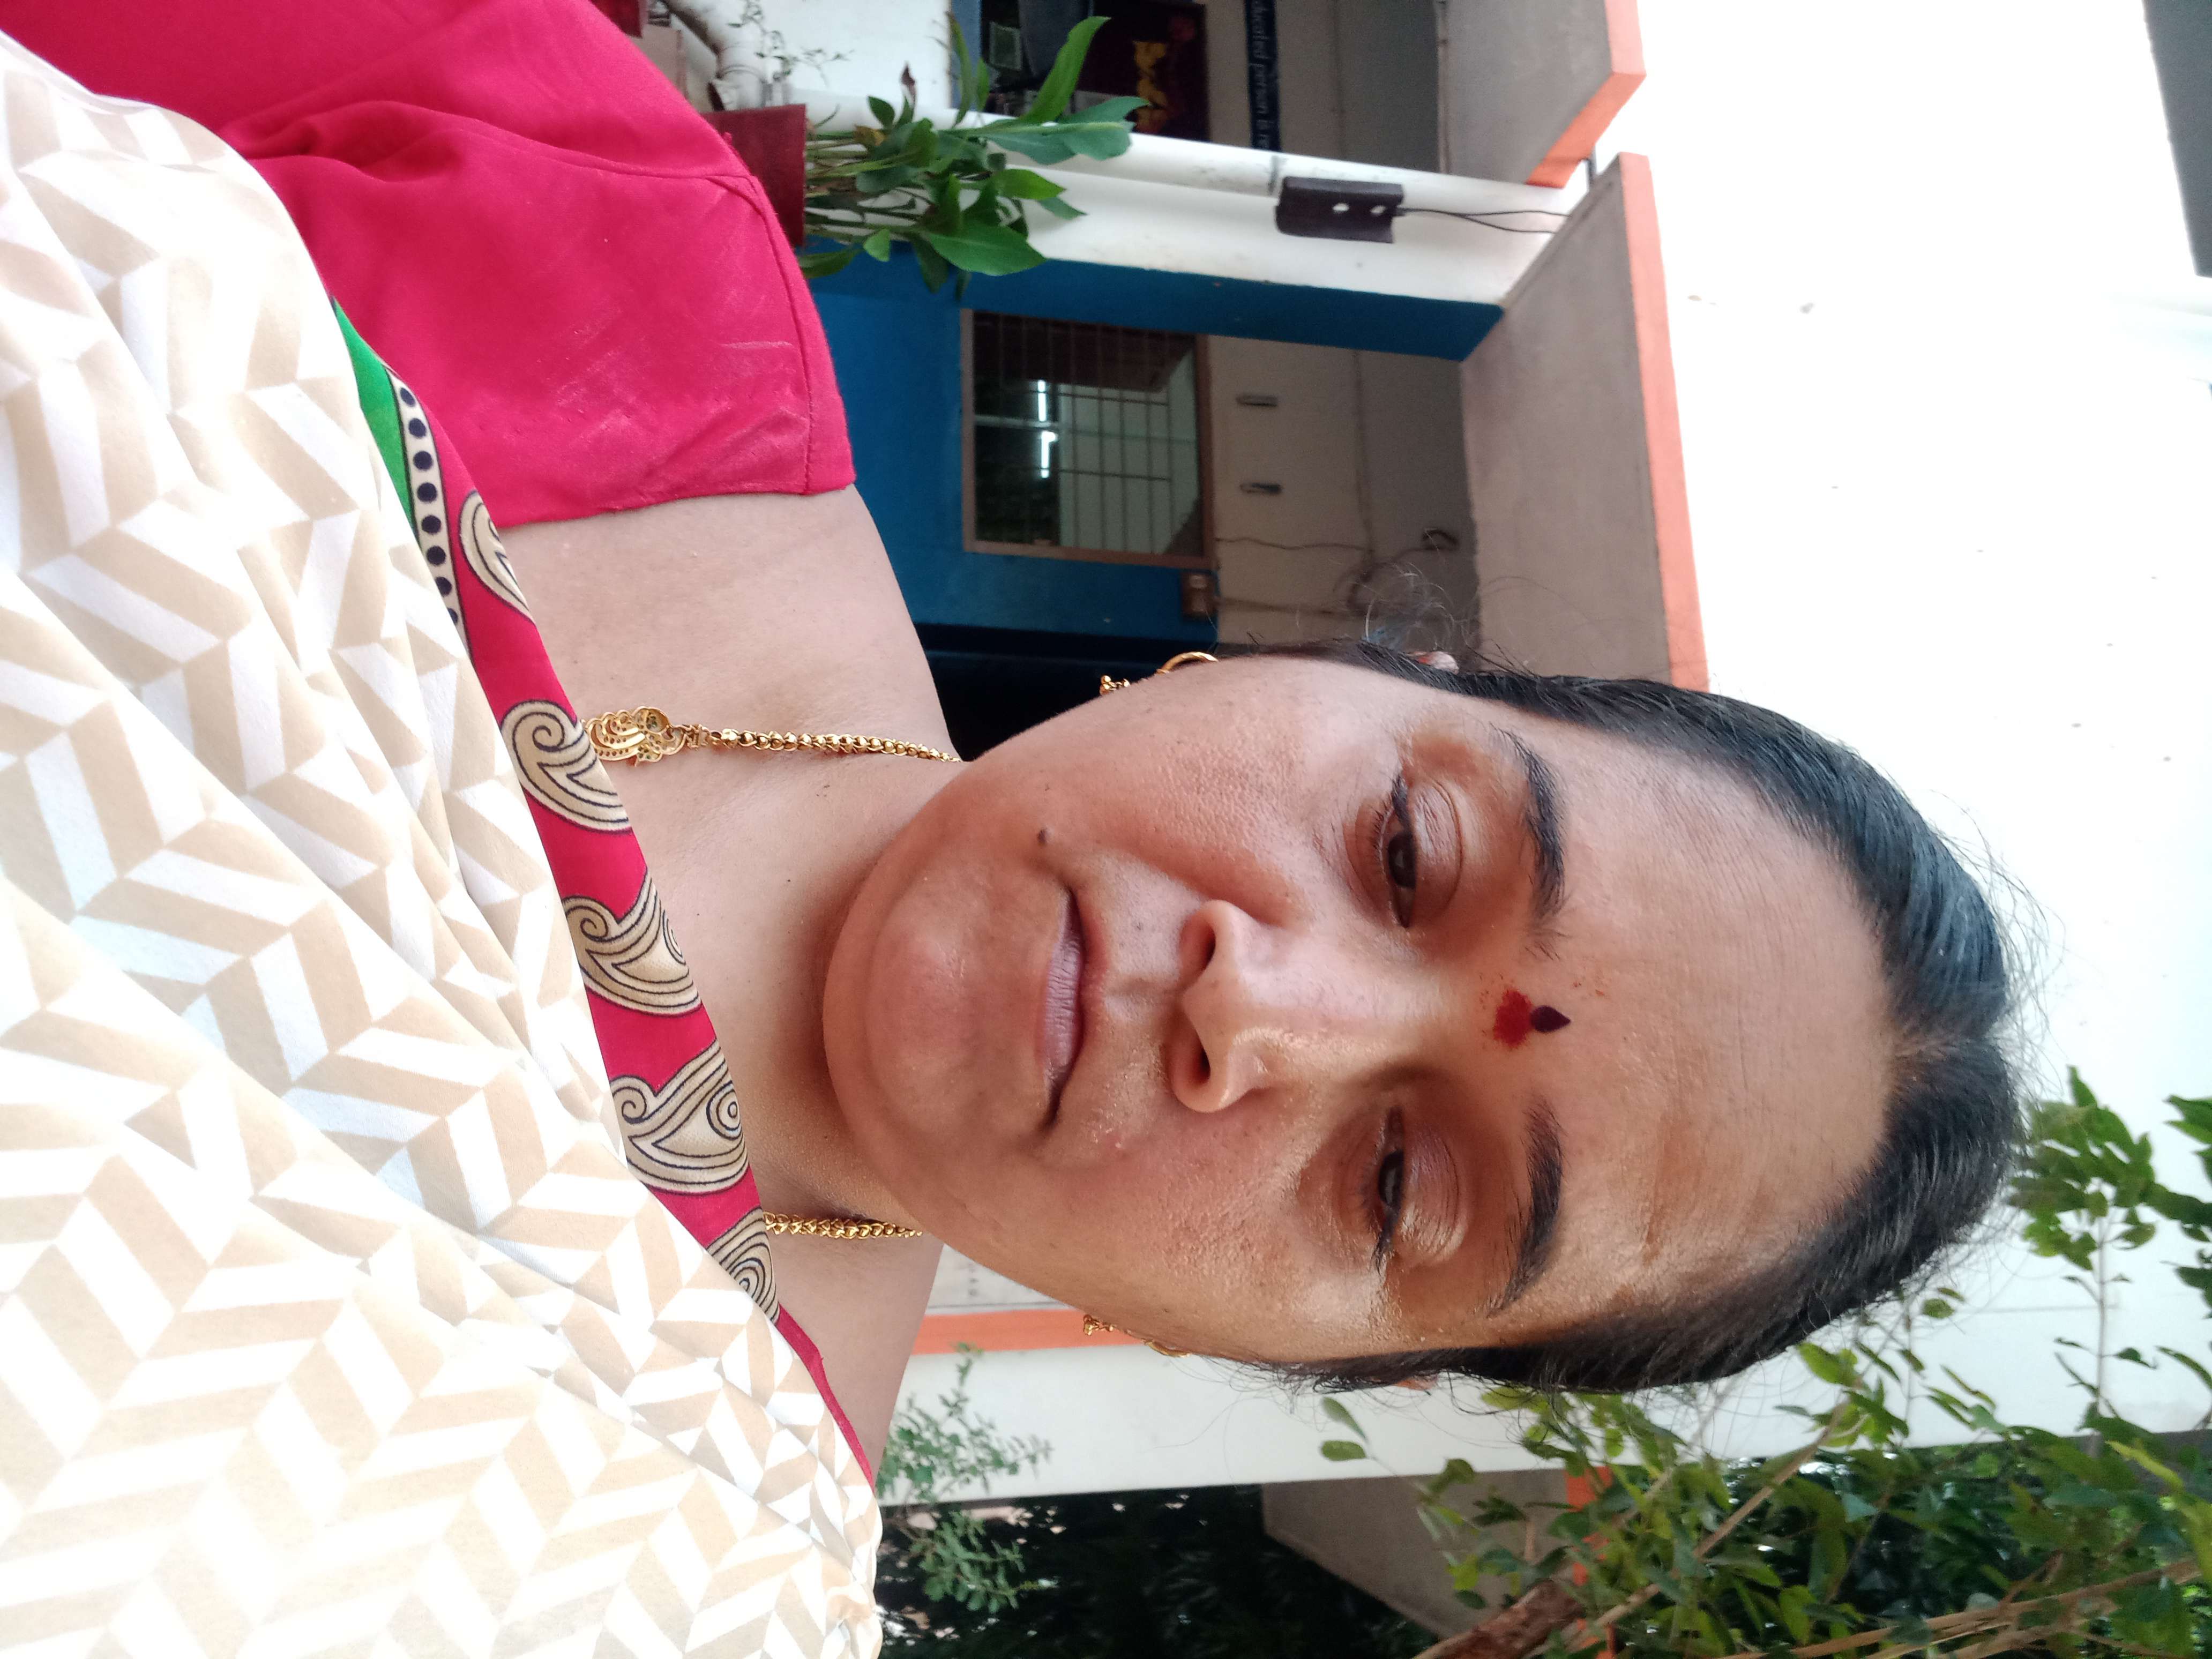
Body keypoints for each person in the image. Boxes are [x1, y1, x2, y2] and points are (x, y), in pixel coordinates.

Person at [0, 3, 2019, 1651]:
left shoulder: (642, 1563)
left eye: (1404, 1185)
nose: (1263, 1015)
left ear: (1315, 1364)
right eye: (1409, 857)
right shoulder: (578, 216)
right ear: (1366, 665)